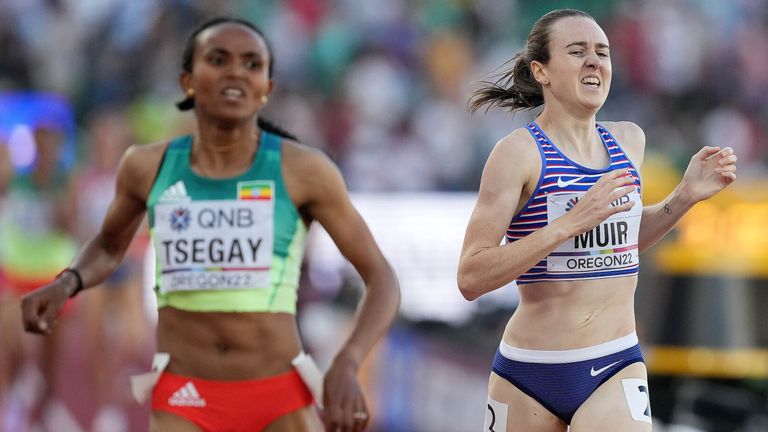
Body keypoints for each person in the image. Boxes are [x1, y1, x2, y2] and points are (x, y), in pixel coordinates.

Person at [21, 16, 400, 432]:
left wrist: (348, 361)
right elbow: (110, 245)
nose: (236, 71)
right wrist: (67, 283)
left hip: (277, 396)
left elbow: (381, 277)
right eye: (218, 59)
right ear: (188, 81)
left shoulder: (304, 170)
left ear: (267, 89)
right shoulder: (147, 166)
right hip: (184, 396)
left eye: (252, 64)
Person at [458, 9, 737, 432]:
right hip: (527, 372)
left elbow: (619, 242)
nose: (594, 61)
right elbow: (471, 275)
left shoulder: (629, 141)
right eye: (577, 51)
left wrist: (684, 198)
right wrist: (567, 224)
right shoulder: (517, 155)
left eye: (602, 52)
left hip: (614, 363)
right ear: (542, 71)